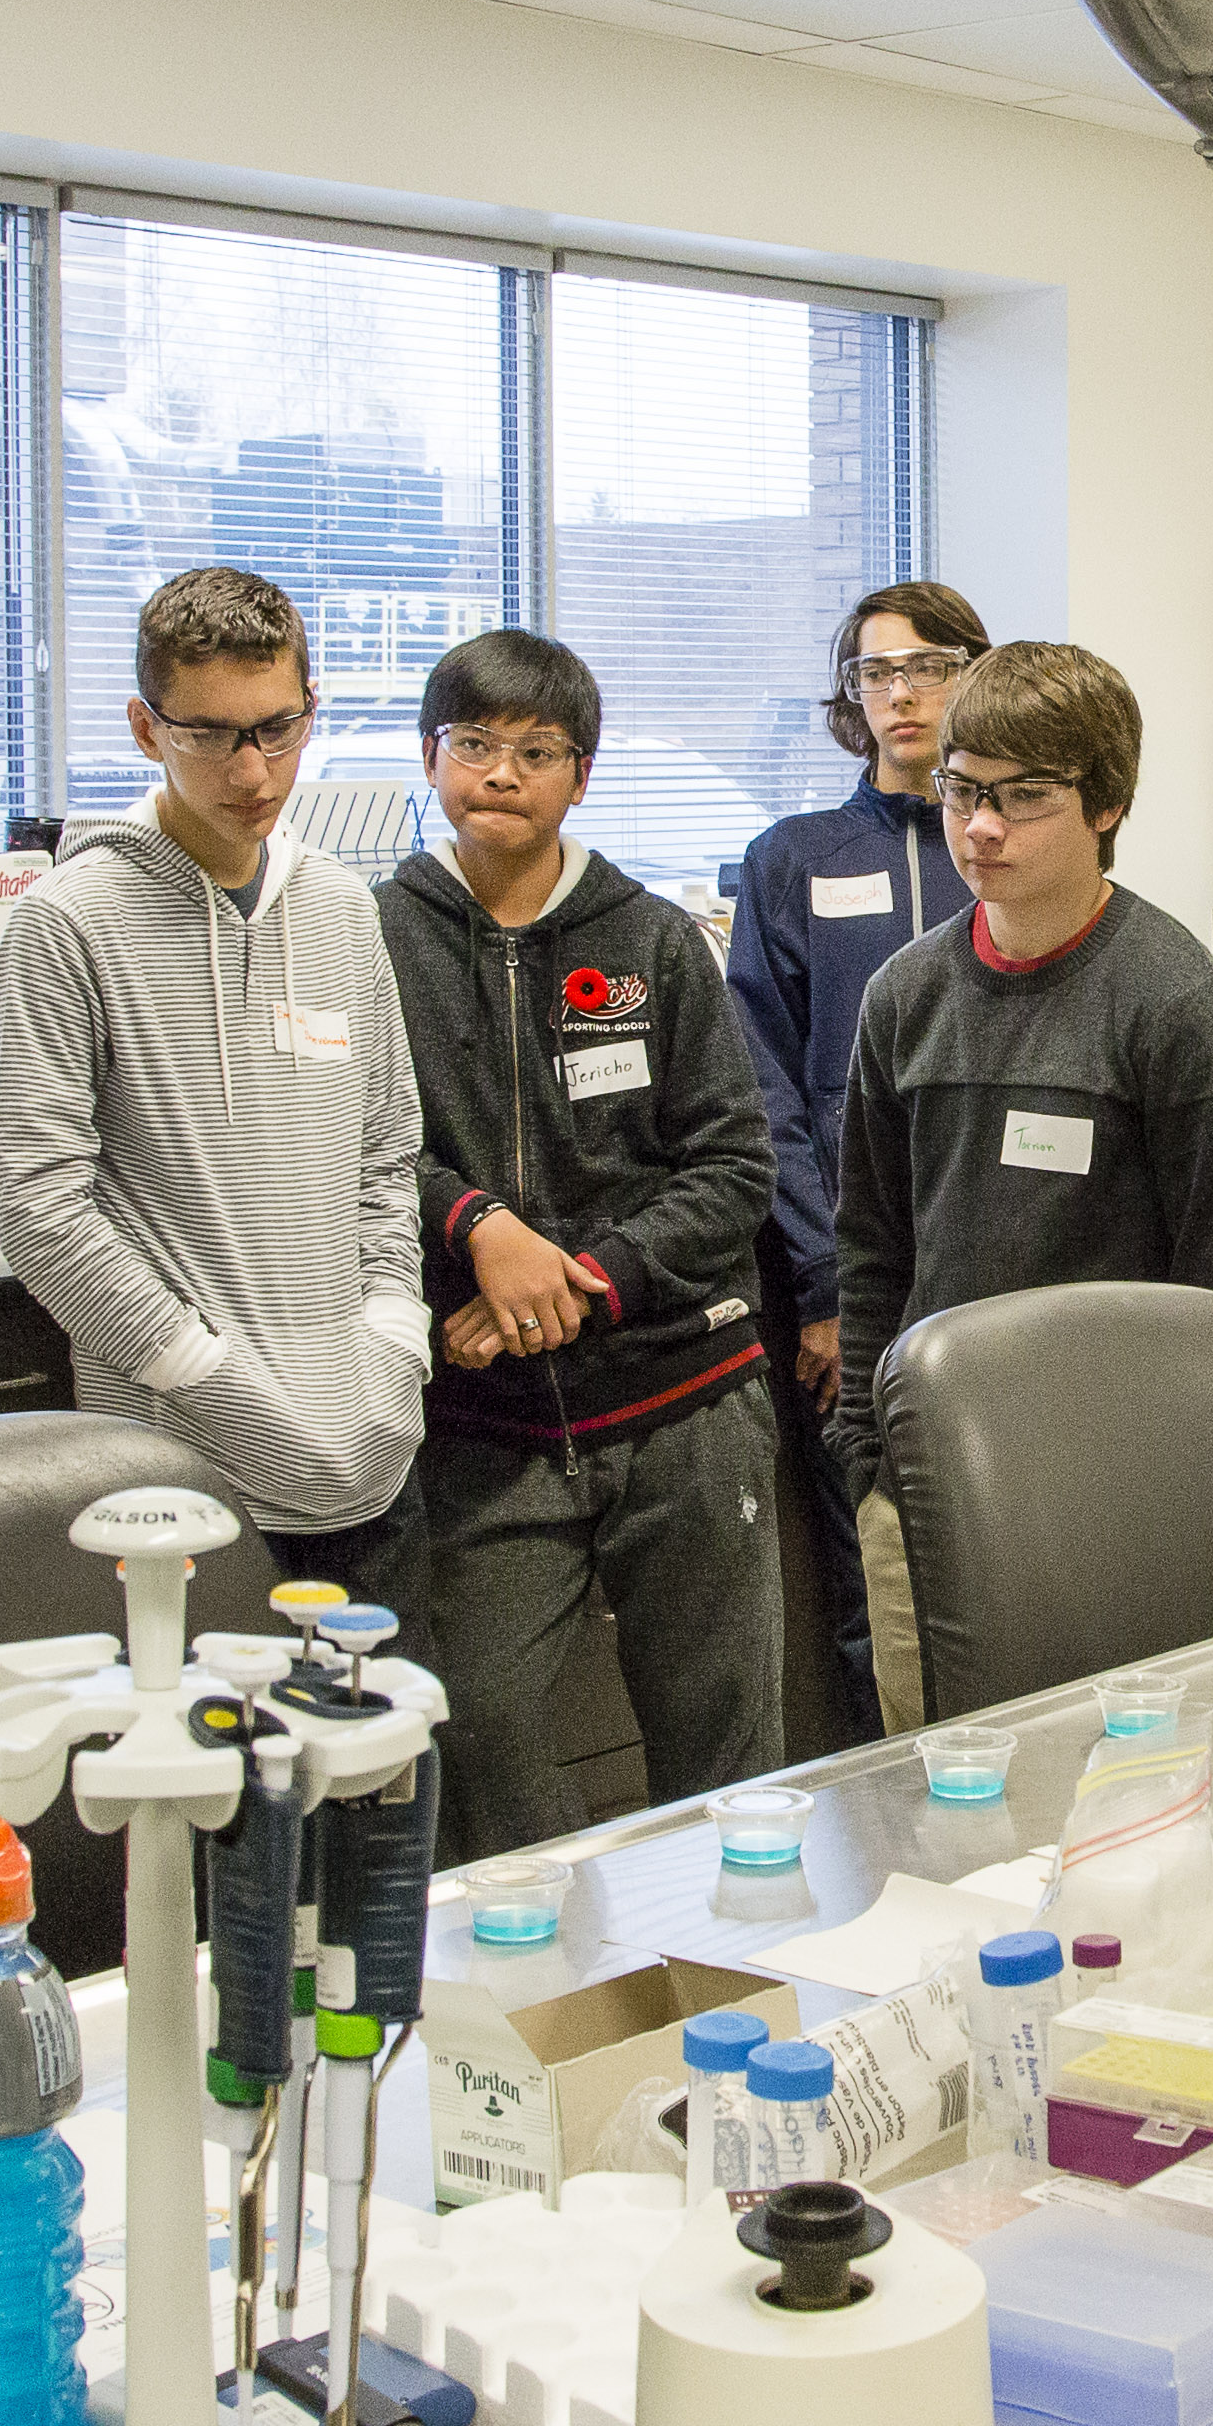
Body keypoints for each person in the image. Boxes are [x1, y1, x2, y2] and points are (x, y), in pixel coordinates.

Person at [375, 631, 785, 1854]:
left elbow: (733, 1167)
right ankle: (580, 1994)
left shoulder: (654, 940)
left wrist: (578, 1283)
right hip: (486, 1427)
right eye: (474, 746)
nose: (501, 774)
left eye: (536, 752)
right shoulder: (370, 939)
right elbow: (357, 1150)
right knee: (476, 1725)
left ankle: (731, 1998)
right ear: (429, 758)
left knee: (723, 1751)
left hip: (681, 1401)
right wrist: (475, 1229)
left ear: (581, 774)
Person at [830, 643, 1213, 1725]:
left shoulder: (1171, 1000)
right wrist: (867, 1462)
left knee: (1112, 1788)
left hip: (1120, 1486)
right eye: (963, 789)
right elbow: (872, 1251)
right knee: (949, 1794)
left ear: (1107, 803)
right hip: (931, 1481)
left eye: (1024, 797)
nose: (981, 827)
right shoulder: (906, 998)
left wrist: (1185, 1479)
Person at [0, 565, 430, 1615]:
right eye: (212, 734)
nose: (254, 769)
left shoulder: (340, 907)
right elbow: (41, 1209)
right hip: (175, 1474)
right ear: (147, 730)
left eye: (279, 728)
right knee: (211, 1778)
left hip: (369, 1450)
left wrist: (394, 1337)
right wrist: (194, 1366)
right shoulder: (68, 921)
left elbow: (384, 1153)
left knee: (385, 1769)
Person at [728, 579, 986, 1742]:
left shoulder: (1004, 842)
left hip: (993, 1259)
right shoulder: (796, 858)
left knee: (1005, 1544)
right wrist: (828, 1287)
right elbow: (767, 1086)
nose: (902, 694)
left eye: (928, 666)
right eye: (877, 673)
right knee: (865, 1569)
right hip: (853, 1283)